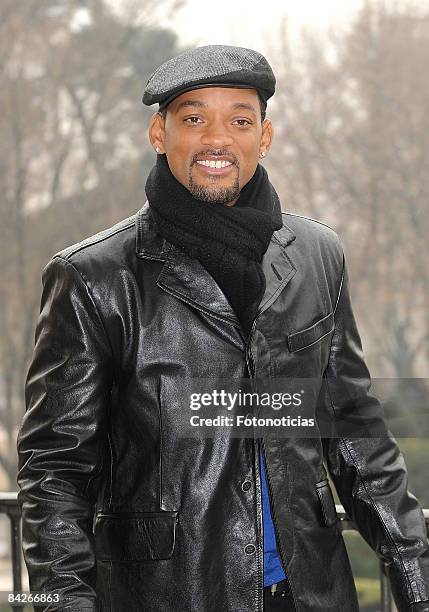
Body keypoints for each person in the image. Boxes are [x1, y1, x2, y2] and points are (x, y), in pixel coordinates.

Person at [17, 45, 429, 612]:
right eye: (193, 119)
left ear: (265, 137)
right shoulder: (92, 277)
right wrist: (61, 602)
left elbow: (356, 432)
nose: (217, 139)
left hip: (311, 592)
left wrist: (415, 574)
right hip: (166, 594)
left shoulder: (317, 255)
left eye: (240, 120)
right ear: (158, 134)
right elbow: (56, 471)